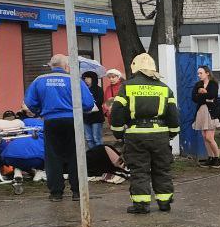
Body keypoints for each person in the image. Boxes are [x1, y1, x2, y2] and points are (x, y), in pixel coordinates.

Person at [109, 52, 180, 214]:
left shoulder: (127, 87)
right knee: (161, 168)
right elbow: (173, 114)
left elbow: (117, 112)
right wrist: (172, 132)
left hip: (136, 135)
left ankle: (141, 205)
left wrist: (118, 133)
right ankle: (164, 202)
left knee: (139, 170)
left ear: (136, 68)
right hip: (160, 135)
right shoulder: (164, 88)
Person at [24, 54, 95, 202]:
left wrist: (39, 111)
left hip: (51, 121)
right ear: (66, 66)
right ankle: (77, 192)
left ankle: (56, 193)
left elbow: (30, 102)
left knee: (53, 157)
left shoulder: (39, 80)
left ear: (51, 65)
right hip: (72, 121)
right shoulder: (75, 80)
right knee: (76, 156)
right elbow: (88, 103)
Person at [191, 65, 220, 167]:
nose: (199, 75)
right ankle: (210, 157)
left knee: (209, 137)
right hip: (201, 111)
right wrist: (204, 95)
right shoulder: (198, 84)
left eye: (201, 73)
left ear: (207, 73)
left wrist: (202, 94)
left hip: (211, 112)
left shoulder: (213, 83)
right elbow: (194, 98)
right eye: (198, 73)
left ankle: (217, 158)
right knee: (204, 136)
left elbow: (212, 95)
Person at [81, 70, 105, 149]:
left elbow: (100, 101)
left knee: (96, 138)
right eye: (85, 78)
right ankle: (92, 156)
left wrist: (91, 103)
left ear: (93, 79)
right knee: (89, 139)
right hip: (86, 117)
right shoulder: (83, 89)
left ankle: (99, 155)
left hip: (96, 117)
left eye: (88, 78)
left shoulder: (98, 89)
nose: (86, 80)